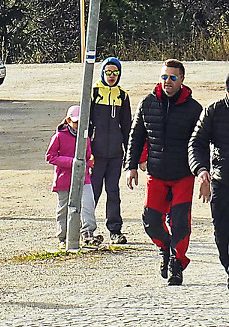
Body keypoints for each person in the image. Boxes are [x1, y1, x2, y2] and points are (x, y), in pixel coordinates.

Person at [125, 59, 202, 286]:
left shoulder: (194, 109)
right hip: (156, 174)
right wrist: (131, 166)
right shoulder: (147, 103)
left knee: (180, 223)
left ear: (182, 80)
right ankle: (165, 250)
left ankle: (177, 264)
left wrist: (202, 171)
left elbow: (200, 143)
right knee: (150, 221)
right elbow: (136, 136)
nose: (167, 81)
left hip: (183, 175)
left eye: (173, 77)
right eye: (164, 77)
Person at [188, 73, 229, 290]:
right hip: (222, 181)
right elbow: (196, 142)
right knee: (222, 232)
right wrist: (201, 170)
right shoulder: (214, 111)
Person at [88, 57, 132, 244]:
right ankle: (86, 229)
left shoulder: (123, 96)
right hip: (96, 154)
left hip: (115, 154)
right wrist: (86, 150)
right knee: (93, 191)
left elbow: (127, 127)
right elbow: (85, 124)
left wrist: (130, 154)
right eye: (108, 72)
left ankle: (115, 230)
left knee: (113, 191)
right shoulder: (94, 93)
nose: (112, 76)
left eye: (115, 72)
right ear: (102, 73)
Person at [46, 105, 101, 248]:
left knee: (88, 205)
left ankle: (88, 233)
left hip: (83, 178)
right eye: (76, 122)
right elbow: (50, 157)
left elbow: (89, 157)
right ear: (68, 120)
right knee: (63, 209)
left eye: (81, 122)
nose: (78, 125)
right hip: (64, 179)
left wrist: (89, 163)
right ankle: (63, 237)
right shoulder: (59, 136)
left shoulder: (85, 137)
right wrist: (72, 162)